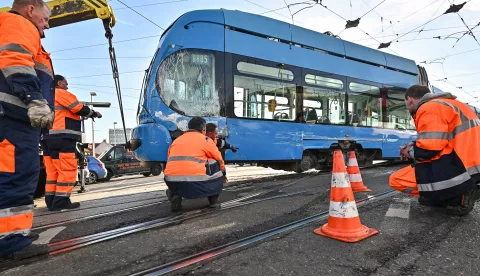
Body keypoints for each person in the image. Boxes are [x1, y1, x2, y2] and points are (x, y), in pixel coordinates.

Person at [0, 0, 54, 259]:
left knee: (12, 173)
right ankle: (10, 241)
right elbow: (15, 60)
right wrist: (33, 97)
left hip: (11, 116)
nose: (46, 25)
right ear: (30, 10)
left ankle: (14, 234)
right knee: (16, 174)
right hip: (13, 116)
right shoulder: (18, 23)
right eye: (44, 19)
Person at [389, 85, 480, 216]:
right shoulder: (454, 104)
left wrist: (408, 152)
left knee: (396, 180)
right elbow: (445, 139)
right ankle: (446, 196)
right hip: (472, 166)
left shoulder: (428, 108)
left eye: (406, 104)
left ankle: (461, 195)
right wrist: (413, 146)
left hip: (459, 168)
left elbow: (430, 148)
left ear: (409, 99)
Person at [41, 75, 102, 211]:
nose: (67, 86)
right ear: (58, 83)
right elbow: (78, 108)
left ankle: (51, 201)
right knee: (67, 169)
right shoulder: (61, 93)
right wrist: (94, 113)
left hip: (47, 138)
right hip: (62, 137)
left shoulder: (44, 95)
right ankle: (61, 201)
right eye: (65, 83)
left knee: (53, 172)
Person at [164, 117, 227, 211]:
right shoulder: (205, 140)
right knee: (215, 162)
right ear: (203, 129)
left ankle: (175, 195)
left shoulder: (177, 140)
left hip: (172, 182)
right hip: (198, 183)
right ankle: (213, 201)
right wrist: (224, 173)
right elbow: (219, 158)